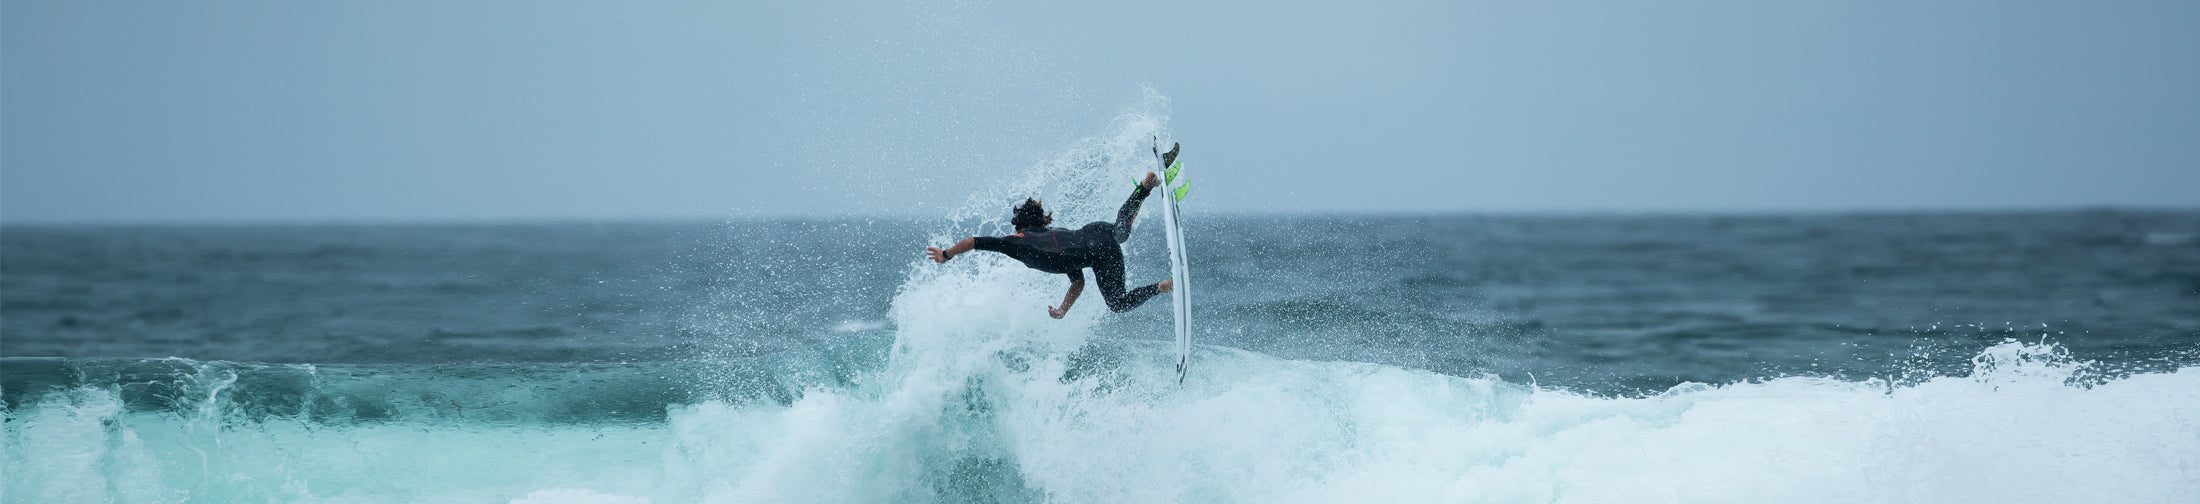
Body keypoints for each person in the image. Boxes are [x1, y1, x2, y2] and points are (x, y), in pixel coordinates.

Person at [926, 145, 1179, 319]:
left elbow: (973, 241)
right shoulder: (1056, 235)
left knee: (1117, 303)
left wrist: (946, 254)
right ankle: (1145, 187)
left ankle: (1163, 286)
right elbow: (1078, 282)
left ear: (1020, 227)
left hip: (1097, 252)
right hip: (1095, 233)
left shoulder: (1016, 243)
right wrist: (1062, 310)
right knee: (1119, 232)